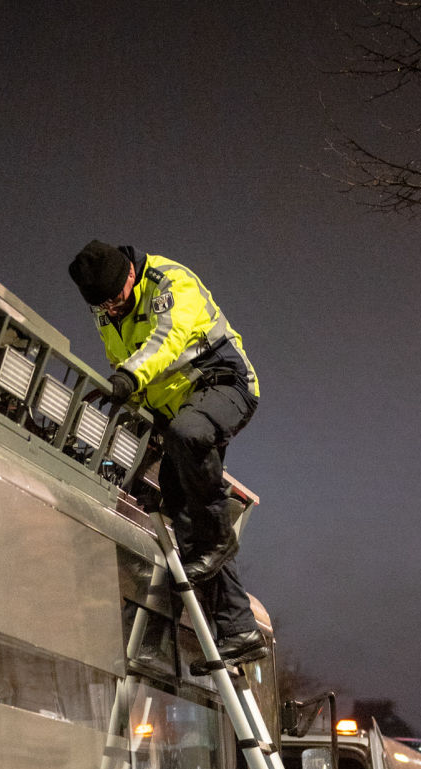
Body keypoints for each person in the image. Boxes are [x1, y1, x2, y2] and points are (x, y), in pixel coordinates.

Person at [68, 240, 265, 672]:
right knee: (181, 505)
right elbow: (124, 354)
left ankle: (218, 536)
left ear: (130, 277)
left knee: (190, 436)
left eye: (116, 300)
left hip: (223, 385)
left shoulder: (169, 281)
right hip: (175, 411)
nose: (111, 311)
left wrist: (127, 379)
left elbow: (166, 340)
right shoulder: (106, 307)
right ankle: (239, 629)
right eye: (102, 306)